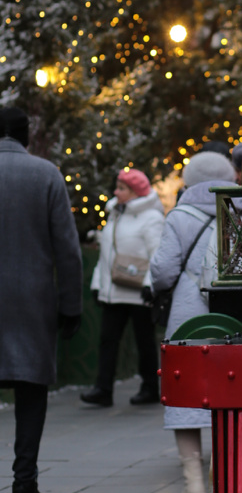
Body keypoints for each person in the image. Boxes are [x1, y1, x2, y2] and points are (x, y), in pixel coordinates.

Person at [0, 106, 83, 493]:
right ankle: (23, 485)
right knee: (31, 392)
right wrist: (71, 305)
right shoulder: (45, 174)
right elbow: (67, 249)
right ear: (26, 137)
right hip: (32, 300)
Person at [149, 150, 236, 493]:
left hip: (188, 313)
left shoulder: (180, 215)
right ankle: (224, 480)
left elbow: (163, 270)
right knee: (230, 393)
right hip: (236, 312)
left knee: (186, 392)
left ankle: (194, 484)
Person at [80, 168, 165, 408]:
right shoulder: (116, 214)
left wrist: (150, 284)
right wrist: (98, 284)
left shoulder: (151, 218)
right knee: (108, 339)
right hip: (114, 291)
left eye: (122, 188)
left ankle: (150, 386)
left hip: (138, 291)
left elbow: (157, 254)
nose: (116, 192)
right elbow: (107, 254)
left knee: (144, 341)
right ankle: (103, 388)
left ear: (136, 192)